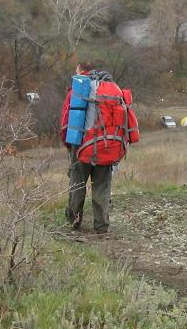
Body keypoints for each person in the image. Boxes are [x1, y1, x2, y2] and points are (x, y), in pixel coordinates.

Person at [60, 63, 140, 234]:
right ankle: (102, 226)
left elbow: (67, 119)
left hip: (81, 146)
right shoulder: (114, 89)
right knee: (102, 187)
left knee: (77, 184)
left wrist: (69, 146)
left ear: (81, 70)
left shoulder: (79, 90)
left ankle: (74, 221)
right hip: (108, 146)